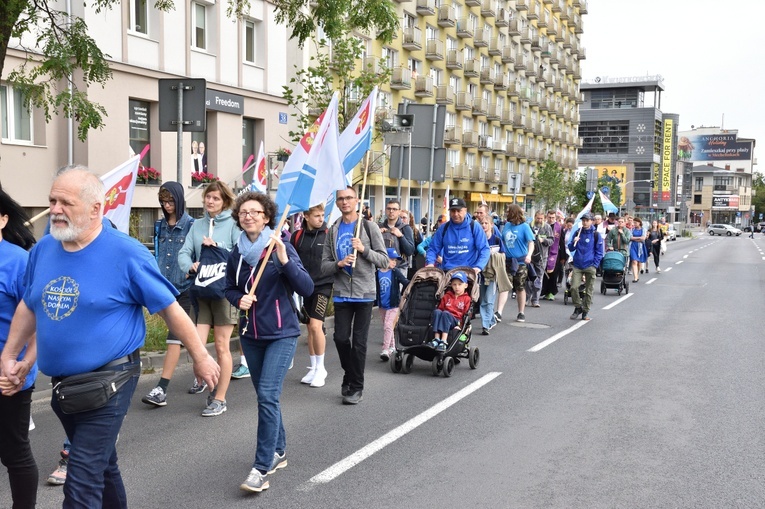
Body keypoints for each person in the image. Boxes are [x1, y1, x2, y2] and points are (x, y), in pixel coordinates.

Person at [0, 166, 219, 508]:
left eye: (65, 203)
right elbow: (30, 307)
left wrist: (202, 357)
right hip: (64, 386)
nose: (55, 209)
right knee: (103, 469)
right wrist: (13, 356)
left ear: (96, 209)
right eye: (52, 201)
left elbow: (170, 309)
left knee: (81, 480)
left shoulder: (127, 252)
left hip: (110, 383)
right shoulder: (44, 250)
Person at [224, 191, 313, 493]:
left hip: (281, 332)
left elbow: (307, 286)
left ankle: (261, 467)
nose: (248, 216)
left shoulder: (280, 246)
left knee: (266, 395)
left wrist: (286, 261)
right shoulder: (236, 252)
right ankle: (280, 449)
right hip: (250, 334)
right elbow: (229, 288)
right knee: (267, 398)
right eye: (243, 212)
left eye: (254, 212)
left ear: (266, 217)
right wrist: (240, 299)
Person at [321, 186, 388, 405]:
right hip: (341, 292)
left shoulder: (369, 227)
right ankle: (350, 373)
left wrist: (364, 250)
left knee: (359, 343)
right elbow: (324, 266)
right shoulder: (333, 230)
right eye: (341, 199)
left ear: (357, 201)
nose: (344, 202)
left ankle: (356, 386)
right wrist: (338, 264)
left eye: (349, 198)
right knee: (340, 338)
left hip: (364, 293)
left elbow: (384, 260)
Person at [178, 181, 240, 416]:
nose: (210, 201)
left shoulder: (234, 224)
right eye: (208, 197)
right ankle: (209, 380)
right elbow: (184, 252)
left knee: (223, 346)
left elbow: (239, 252)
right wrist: (190, 264)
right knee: (197, 346)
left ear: (224, 201)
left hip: (224, 292)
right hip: (202, 290)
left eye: (216, 198)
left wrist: (217, 248)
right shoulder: (197, 226)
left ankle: (220, 398)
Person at [142, 182, 198, 407]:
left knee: (174, 337)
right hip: (165, 288)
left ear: (180, 200)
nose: (167, 206)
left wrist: (190, 273)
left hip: (185, 289)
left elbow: (199, 256)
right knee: (189, 336)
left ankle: (161, 389)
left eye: (171, 201)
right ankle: (204, 372)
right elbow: (156, 252)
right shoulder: (159, 226)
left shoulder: (192, 226)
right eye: (163, 202)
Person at [0, 188, 38, 509]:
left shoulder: (19, 261)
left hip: (9, 376)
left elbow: (40, 321)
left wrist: (23, 365)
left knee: (13, 451)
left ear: (3, 218)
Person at [290, 203, 332, 388]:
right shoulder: (297, 236)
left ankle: (322, 369)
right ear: (306, 216)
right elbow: (291, 259)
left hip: (323, 286)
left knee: (316, 326)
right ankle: (314, 367)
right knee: (309, 328)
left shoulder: (328, 234)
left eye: (322, 215)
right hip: (304, 286)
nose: (321, 219)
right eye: (317, 215)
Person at [426, 197, 490, 275]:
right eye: (453, 211)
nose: (456, 214)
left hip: (468, 273)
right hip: (448, 272)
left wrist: (478, 266)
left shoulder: (474, 227)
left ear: (465, 211)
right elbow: (433, 248)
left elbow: (484, 249)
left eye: (459, 211)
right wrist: (430, 263)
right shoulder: (444, 228)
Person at [501, 204, 535, 323]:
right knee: (505, 285)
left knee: (520, 287)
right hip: (508, 261)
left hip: (521, 261)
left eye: (508, 211)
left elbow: (531, 242)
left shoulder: (525, 227)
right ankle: (499, 312)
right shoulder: (507, 225)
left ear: (513, 213)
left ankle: (521, 312)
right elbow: (502, 241)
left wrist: (529, 255)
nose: (506, 213)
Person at [567, 213, 604, 321]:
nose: (585, 222)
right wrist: (574, 242)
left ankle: (585, 311)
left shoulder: (596, 234)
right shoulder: (578, 232)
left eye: (587, 220)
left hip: (590, 265)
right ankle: (578, 307)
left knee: (589, 290)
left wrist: (594, 265)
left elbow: (599, 252)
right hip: (578, 264)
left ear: (591, 221)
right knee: (573, 287)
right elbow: (571, 248)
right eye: (583, 220)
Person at [376, 247, 409, 360]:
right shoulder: (377, 273)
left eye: (395, 260)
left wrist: (405, 294)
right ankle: (392, 347)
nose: (394, 262)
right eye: (392, 259)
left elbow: (405, 282)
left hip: (394, 304)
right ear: (384, 259)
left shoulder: (395, 272)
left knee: (388, 325)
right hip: (382, 305)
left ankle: (385, 349)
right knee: (388, 326)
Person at [477, 217, 508, 335]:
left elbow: (503, 255)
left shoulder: (496, 239)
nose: (484, 225)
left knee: (489, 300)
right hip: (481, 274)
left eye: (486, 223)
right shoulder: (478, 239)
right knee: (482, 299)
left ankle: (485, 325)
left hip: (492, 274)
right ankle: (491, 319)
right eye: (482, 223)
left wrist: (494, 256)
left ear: (491, 225)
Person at [428, 272, 472, 351]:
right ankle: (436, 339)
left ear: (465, 285)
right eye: (454, 284)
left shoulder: (467, 299)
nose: (457, 287)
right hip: (444, 318)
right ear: (451, 285)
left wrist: (461, 325)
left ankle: (444, 341)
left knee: (446, 313)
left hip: (456, 321)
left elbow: (466, 314)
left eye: (459, 284)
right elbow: (440, 308)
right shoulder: (447, 296)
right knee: (437, 311)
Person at [378, 199, 415, 277]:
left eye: (394, 209)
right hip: (381, 267)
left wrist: (401, 236)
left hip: (400, 269)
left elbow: (410, 251)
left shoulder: (406, 228)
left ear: (399, 211)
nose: (391, 211)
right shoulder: (378, 227)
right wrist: (377, 234)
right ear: (385, 210)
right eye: (389, 209)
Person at [527, 211, 552, 308]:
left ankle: (535, 300)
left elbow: (552, 240)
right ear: (534, 217)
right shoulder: (529, 226)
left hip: (542, 257)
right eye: (538, 218)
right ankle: (527, 298)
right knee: (528, 278)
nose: (540, 220)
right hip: (530, 256)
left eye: (542, 219)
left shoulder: (547, 227)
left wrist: (543, 240)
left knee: (539, 278)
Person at [541, 210, 563, 301]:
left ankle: (551, 292)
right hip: (544, 252)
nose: (551, 219)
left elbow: (561, 242)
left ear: (555, 218)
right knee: (544, 273)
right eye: (549, 217)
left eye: (553, 217)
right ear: (547, 217)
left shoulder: (559, 227)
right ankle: (544, 291)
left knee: (553, 274)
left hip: (555, 254)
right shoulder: (543, 226)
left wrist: (563, 257)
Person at [629, 217, 647, 283]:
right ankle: (635, 277)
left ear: (639, 223)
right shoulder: (632, 229)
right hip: (633, 246)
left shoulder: (643, 229)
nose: (634, 224)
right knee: (634, 261)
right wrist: (639, 238)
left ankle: (637, 274)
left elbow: (643, 238)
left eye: (635, 222)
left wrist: (635, 238)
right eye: (634, 223)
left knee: (639, 262)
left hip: (640, 247)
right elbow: (630, 238)